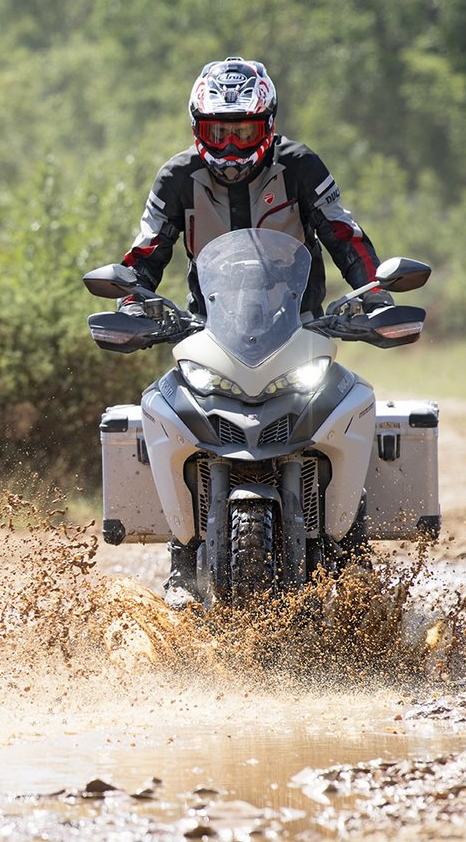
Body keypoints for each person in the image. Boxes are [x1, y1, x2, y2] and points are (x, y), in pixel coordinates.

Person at [118, 57, 388, 607]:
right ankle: (182, 557)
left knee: (346, 408)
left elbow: (344, 233)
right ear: (200, 127)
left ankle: (351, 559)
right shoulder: (177, 177)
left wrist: (373, 292)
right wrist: (132, 299)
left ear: (267, 123)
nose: (234, 145)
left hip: (300, 331)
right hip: (210, 334)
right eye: (221, 130)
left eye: (245, 130)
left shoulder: (300, 166)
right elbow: (147, 249)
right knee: (168, 411)